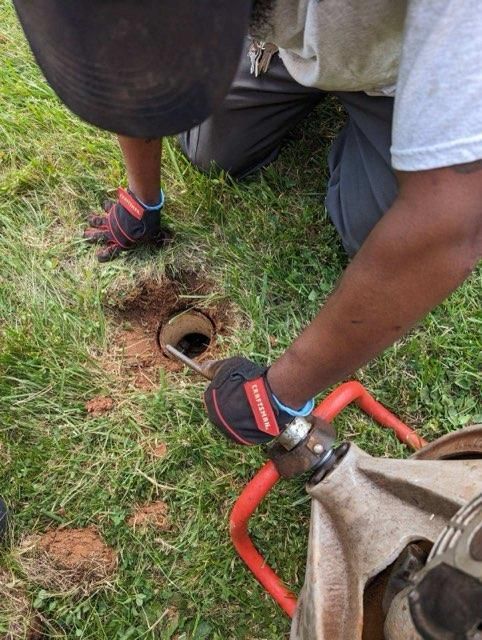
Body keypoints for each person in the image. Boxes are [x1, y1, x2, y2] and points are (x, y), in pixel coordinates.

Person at [13, 0, 482, 443]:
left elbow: (448, 226)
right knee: (211, 156)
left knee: (373, 233)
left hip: (398, 73)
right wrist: (142, 198)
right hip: (283, 47)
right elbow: (133, 74)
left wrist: (280, 392)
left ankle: (384, 132)